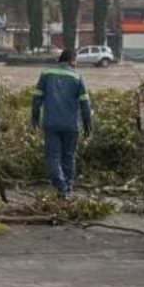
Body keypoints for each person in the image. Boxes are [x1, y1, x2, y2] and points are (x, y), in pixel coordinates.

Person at [31, 49, 93, 199]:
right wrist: (87, 123)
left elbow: (37, 97)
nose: (76, 64)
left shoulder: (46, 74)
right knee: (69, 156)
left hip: (51, 123)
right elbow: (85, 103)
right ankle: (67, 187)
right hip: (71, 125)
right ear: (72, 60)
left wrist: (35, 116)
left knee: (53, 157)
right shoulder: (78, 77)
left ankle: (61, 186)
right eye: (76, 60)